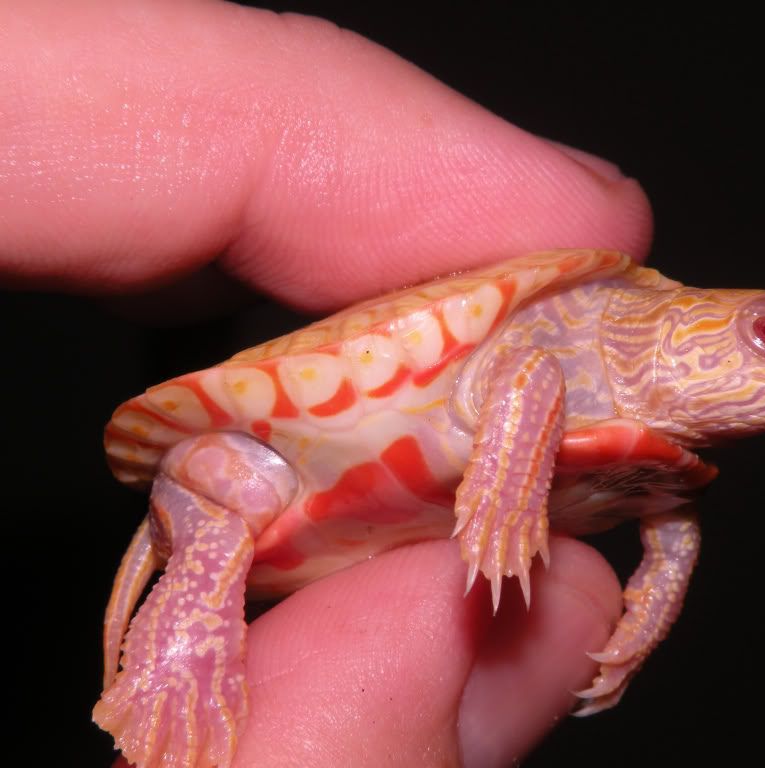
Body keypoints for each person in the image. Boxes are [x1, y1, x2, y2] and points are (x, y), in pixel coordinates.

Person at [1, 2, 655, 765]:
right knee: (231, 488)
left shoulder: (646, 447)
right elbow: (528, 368)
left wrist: (645, 611)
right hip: (263, 454)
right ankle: (174, 657)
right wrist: (506, 493)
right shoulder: (553, 336)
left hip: (363, 535)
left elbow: (666, 523)